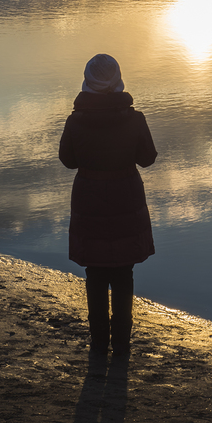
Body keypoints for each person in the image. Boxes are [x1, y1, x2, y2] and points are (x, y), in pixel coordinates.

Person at [59, 53, 157, 358]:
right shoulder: (134, 118)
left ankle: (99, 339)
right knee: (123, 271)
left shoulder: (76, 120)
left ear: (88, 80)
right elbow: (148, 158)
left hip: (89, 196)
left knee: (96, 271)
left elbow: (67, 161)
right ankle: (122, 341)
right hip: (126, 193)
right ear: (117, 80)